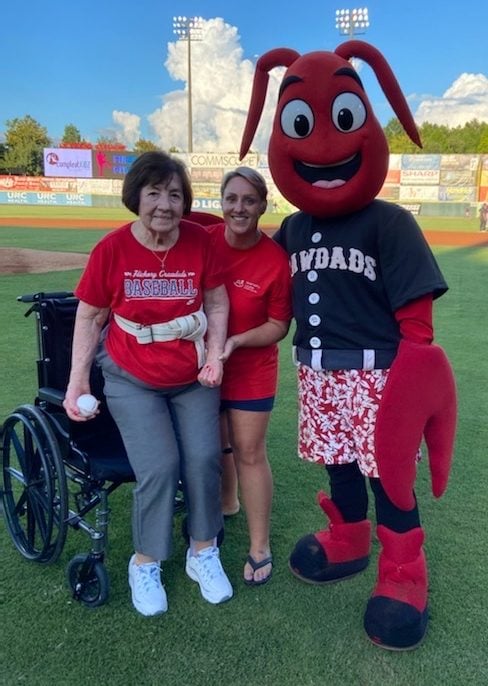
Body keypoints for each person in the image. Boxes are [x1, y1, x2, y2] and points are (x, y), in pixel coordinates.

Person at [240, 43, 456, 649]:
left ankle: (405, 571)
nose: (321, 149)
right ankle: (351, 539)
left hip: (378, 378)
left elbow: (417, 322)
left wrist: (415, 386)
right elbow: (249, 256)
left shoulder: (390, 222)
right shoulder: (296, 228)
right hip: (317, 374)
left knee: (389, 476)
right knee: (338, 465)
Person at [63, 151, 233, 616]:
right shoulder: (113, 249)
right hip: (131, 375)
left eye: (175, 194)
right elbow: (92, 314)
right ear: (136, 195)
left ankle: (203, 552)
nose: (165, 203)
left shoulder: (200, 241)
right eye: (154, 192)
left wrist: (214, 356)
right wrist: (78, 379)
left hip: (192, 374)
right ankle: (146, 560)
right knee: (159, 465)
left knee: (202, 458)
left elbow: (216, 304)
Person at [206, 167, 292, 585]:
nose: (239, 207)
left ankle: (260, 546)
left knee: (249, 451)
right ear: (221, 202)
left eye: (248, 200)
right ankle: (226, 505)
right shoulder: (203, 243)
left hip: (251, 369)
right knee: (216, 445)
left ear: (262, 206)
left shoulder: (275, 260)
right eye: (231, 198)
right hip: (203, 366)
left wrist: (237, 341)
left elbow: (279, 324)